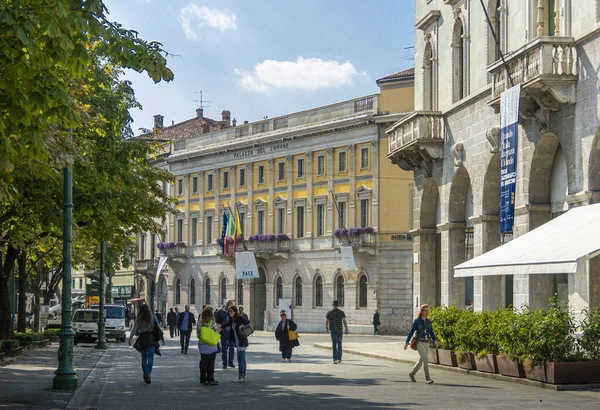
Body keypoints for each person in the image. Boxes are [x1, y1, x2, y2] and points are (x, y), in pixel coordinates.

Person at [128, 304, 165, 384]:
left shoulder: (139, 320)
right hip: (151, 339)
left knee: (144, 358)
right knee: (150, 357)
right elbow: (158, 329)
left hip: (143, 339)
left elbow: (134, 330)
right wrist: (162, 338)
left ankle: (145, 374)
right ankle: (148, 373)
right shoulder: (153, 317)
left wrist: (130, 338)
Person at [404, 304, 438, 384]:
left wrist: (435, 340)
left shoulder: (429, 321)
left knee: (421, 360)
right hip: (419, 342)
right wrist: (406, 342)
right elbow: (411, 332)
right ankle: (427, 378)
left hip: (427, 343)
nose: (427, 312)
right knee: (425, 359)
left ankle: (412, 374)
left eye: (428, 310)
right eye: (425, 310)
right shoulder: (417, 321)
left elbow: (431, 332)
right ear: (422, 311)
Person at [197, 306, 221, 386]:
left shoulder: (200, 322)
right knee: (211, 364)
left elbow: (198, 334)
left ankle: (203, 379)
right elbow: (216, 332)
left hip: (202, 346)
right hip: (211, 346)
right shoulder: (212, 321)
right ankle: (211, 379)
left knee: (204, 363)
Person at [229, 305, 250, 383]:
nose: (230, 313)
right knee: (242, 358)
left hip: (241, 340)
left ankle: (241, 376)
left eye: (231, 311)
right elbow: (227, 324)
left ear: (235, 312)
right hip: (237, 341)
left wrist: (242, 325)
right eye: (229, 311)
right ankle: (242, 375)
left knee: (240, 358)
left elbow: (247, 321)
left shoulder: (238, 318)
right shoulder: (232, 320)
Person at [325, 300, 348, 364]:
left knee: (334, 344)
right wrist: (346, 328)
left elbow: (327, 321)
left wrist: (327, 328)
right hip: (340, 329)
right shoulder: (341, 312)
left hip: (333, 330)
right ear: (338, 305)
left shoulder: (329, 313)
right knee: (340, 344)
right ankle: (339, 359)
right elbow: (344, 321)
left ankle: (335, 359)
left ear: (333, 305)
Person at [215, 299, 235, 369]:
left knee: (232, 347)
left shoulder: (232, 312)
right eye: (230, 303)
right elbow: (217, 322)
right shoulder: (220, 312)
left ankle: (231, 362)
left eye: (232, 303)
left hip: (231, 333)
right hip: (224, 332)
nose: (231, 305)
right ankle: (224, 363)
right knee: (224, 349)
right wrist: (219, 330)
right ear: (227, 304)